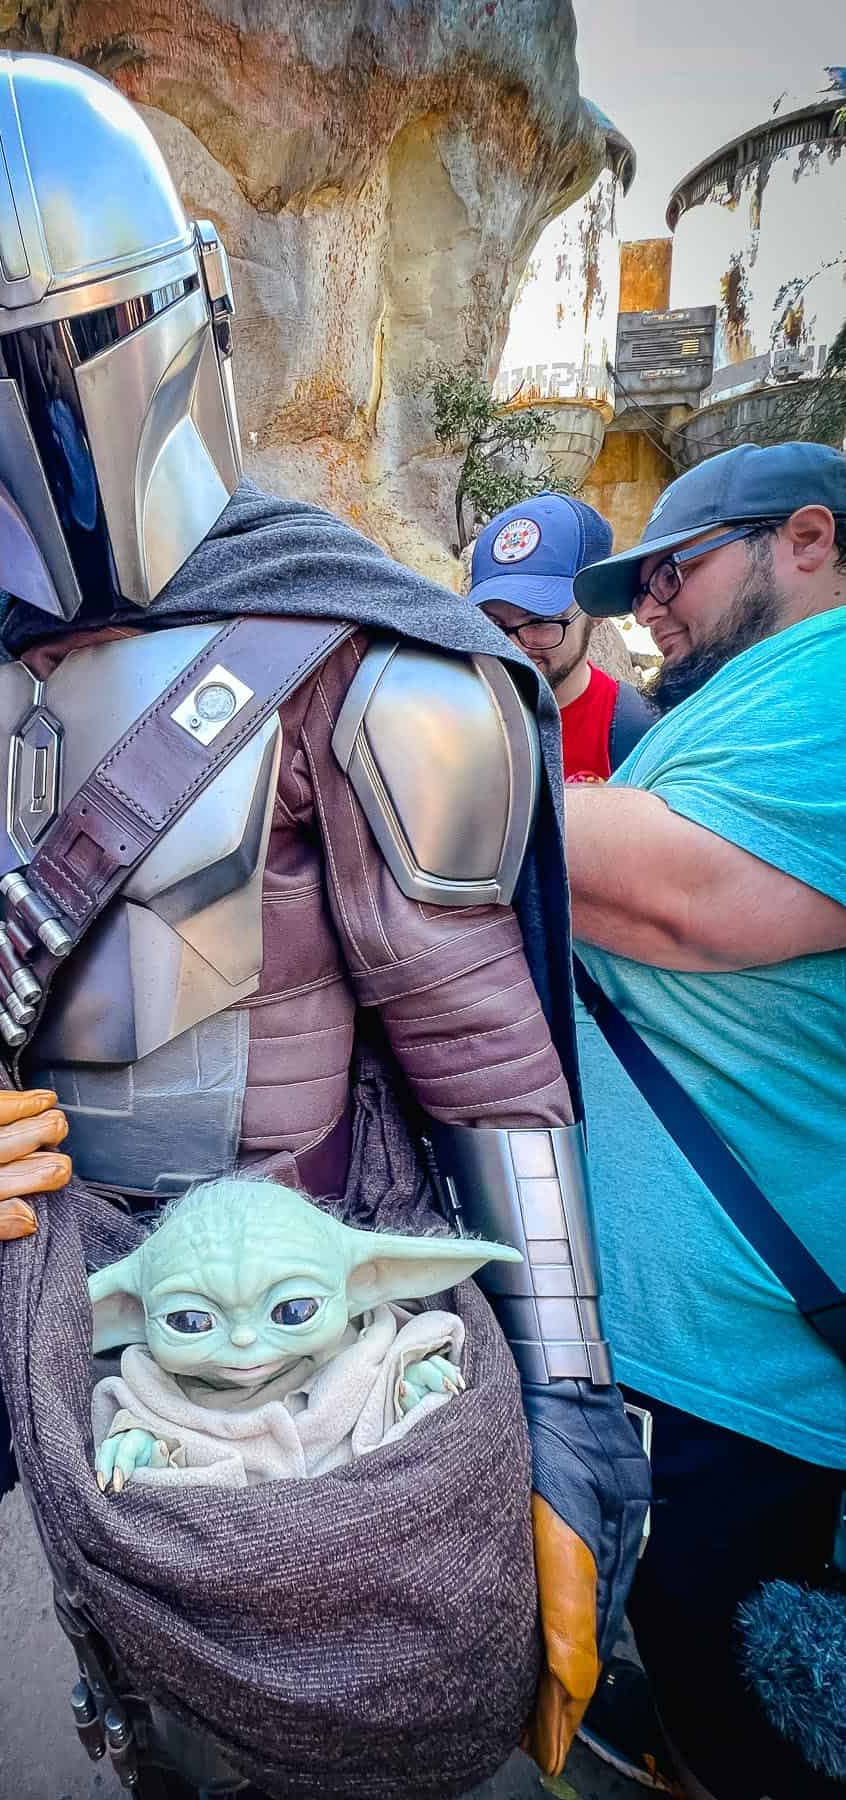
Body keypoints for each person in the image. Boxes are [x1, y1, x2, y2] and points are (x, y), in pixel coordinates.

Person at [0, 49, 648, 1781]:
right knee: (131, 1680)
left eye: (78, 344)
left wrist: (570, 1423)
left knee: (364, 1716)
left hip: (321, 1296)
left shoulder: (371, 672)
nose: (43, 412)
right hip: (62, 1292)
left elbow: (490, 1070)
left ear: (194, 303)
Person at [563, 442, 846, 1800]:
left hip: (762, 1377)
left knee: (764, 1726)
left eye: (677, 566)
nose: (651, 604)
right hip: (705, 1361)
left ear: (806, 538)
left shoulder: (833, 671)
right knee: (703, 1686)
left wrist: (420, 760)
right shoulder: (753, 693)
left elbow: (692, 900)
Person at [468, 493, 655, 782]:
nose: (512, 648)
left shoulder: (632, 737)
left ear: (596, 606)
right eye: (492, 623)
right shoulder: (454, 713)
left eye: (539, 622)